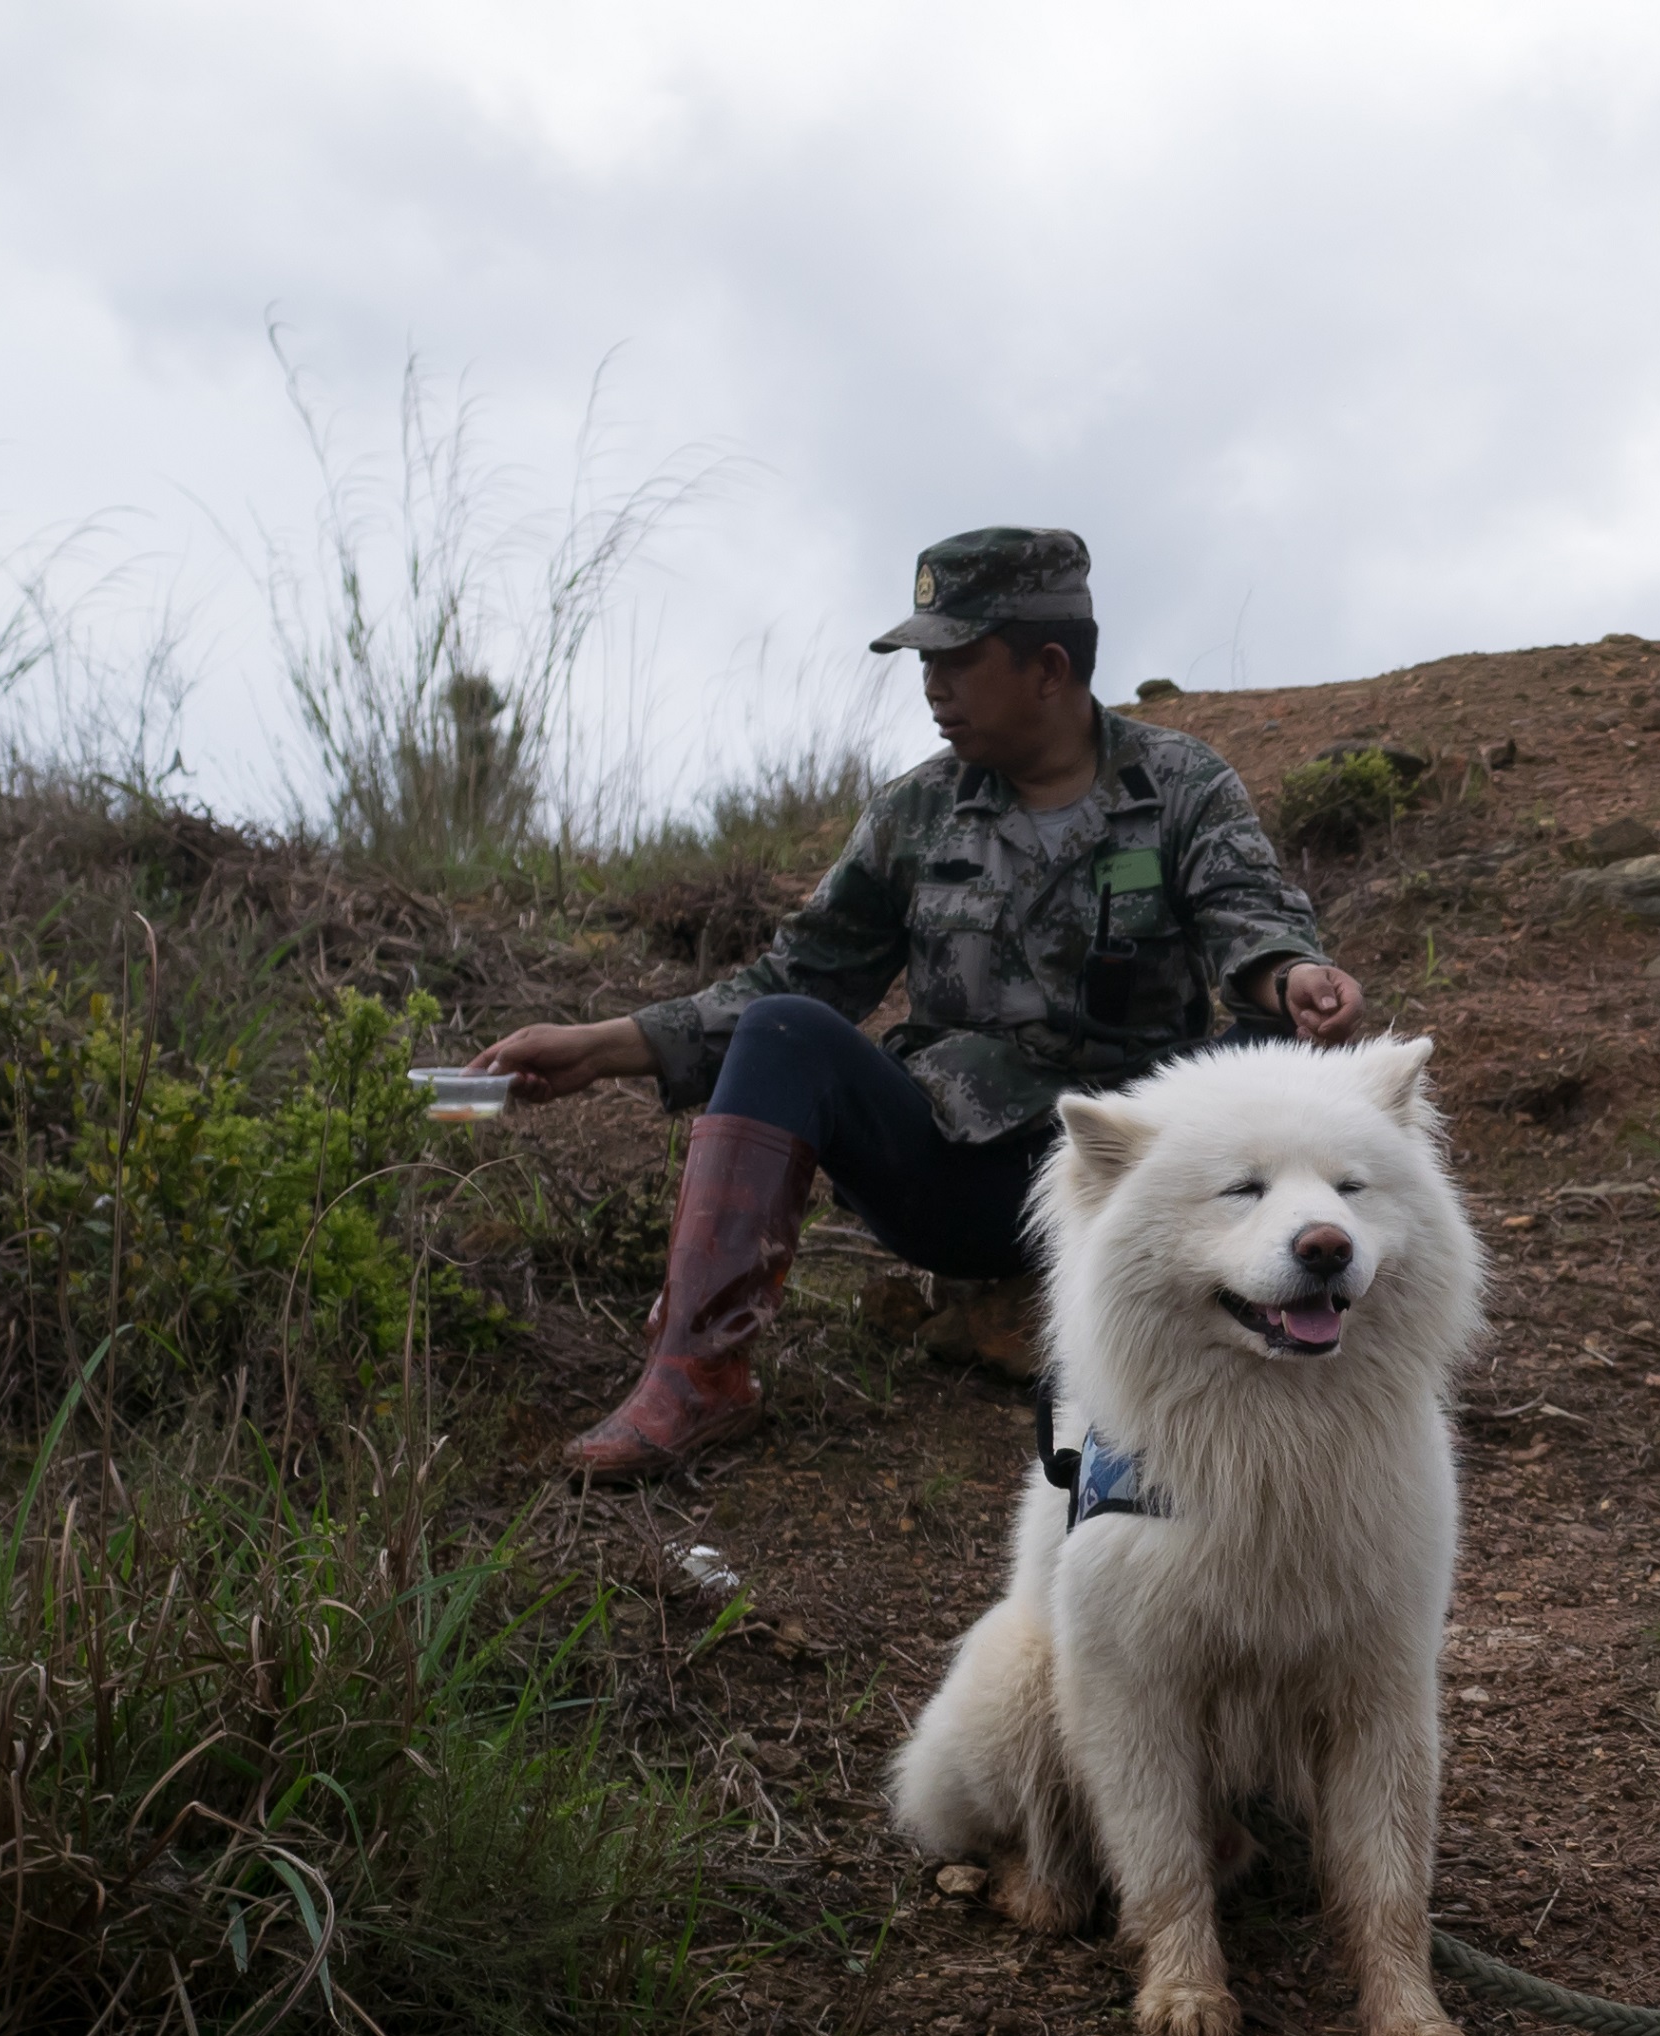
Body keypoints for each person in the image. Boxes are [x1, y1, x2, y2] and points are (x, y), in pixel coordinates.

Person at [471, 526, 1366, 1482]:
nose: (932, 685)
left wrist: (1289, 975)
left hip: (1129, 1186)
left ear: (1047, 667)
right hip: (958, 1177)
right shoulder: (916, 811)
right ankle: (694, 1376)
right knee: (785, 1029)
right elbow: (799, 975)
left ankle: (1254, 1308)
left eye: (956, 658)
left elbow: (1248, 915)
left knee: (1274, 1043)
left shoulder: (1182, 786)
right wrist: (601, 1047)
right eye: (924, 662)